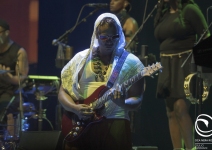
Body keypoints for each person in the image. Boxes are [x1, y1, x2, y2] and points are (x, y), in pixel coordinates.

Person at [58, 13, 145, 150]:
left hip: (116, 126)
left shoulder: (132, 63)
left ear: (119, 35)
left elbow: (137, 98)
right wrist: (75, 108)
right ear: (96, 35)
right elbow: (63, 91)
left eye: (114, 37)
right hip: (82, 126)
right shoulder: (80, 59)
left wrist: (123, 102)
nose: (109, 41)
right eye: (104, 37)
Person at [154, 0, 210, 150]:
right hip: (167, 65)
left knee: (180, 107)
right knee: (171, 111)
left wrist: (205, 74)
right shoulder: (164, 13)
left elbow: (206, 38)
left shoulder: (189, 9)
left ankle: (191, 148)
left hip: (185, 65)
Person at [0, 19, 29, 138]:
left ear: (6, 33)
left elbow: (22, 77)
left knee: (4, 105)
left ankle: (7, 138)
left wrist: (8, 78)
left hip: (10, 90)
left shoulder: (18, 51)